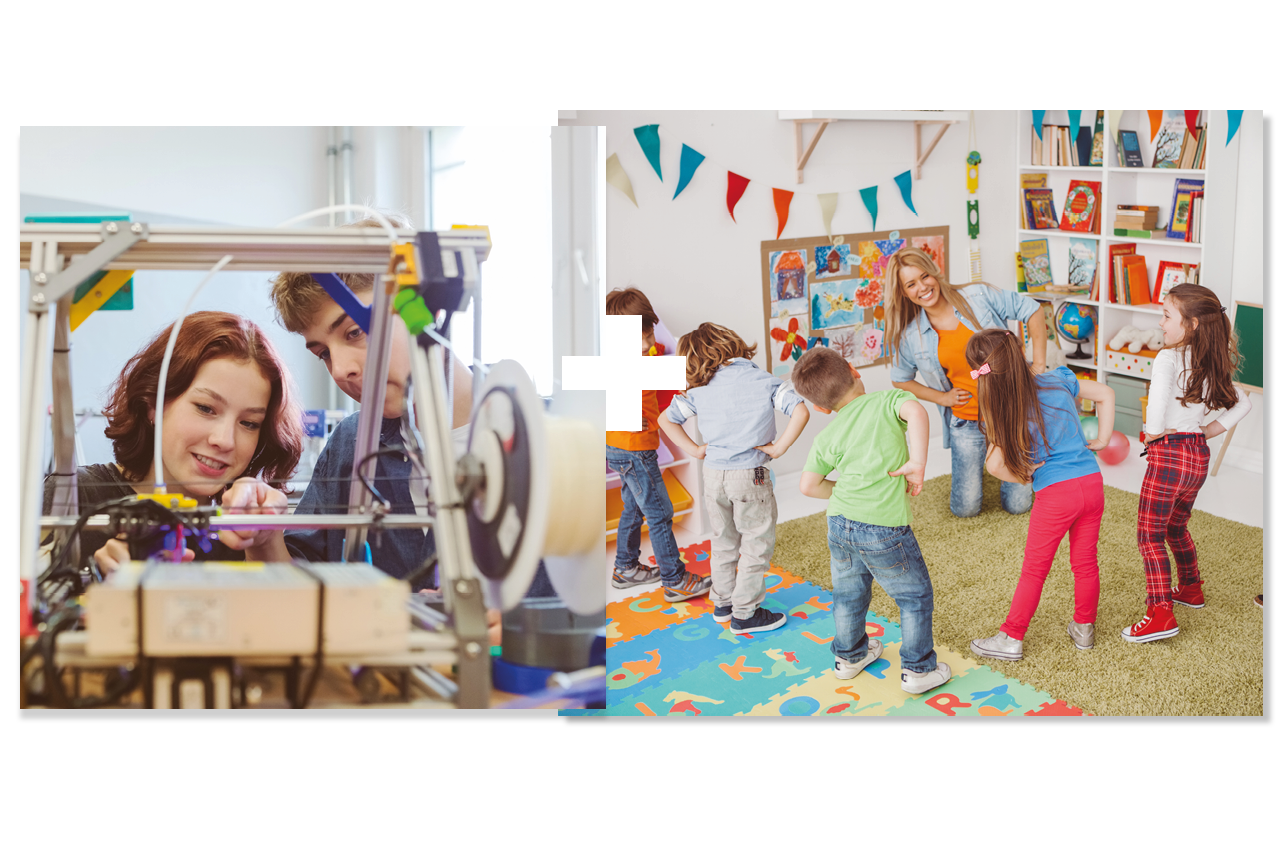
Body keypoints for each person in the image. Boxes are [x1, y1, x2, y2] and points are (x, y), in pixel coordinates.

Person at [268, 216, 474, 585]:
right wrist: (262, 539)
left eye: (355, 331)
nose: (340, 370)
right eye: (323, 354)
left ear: (422, 309)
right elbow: (299, 581)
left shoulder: (553, 436)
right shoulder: (351, 443)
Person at [41, 311, 303, 574]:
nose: (224, 440)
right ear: (152, 404)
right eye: (205, 408)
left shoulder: (244, 530)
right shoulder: (75, 494)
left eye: (249, 423)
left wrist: (267, 543)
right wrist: (96, 580)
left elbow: (297, 612)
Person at [790, 346, 951, 694]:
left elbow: (808, 486)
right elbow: (918, 412)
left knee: (848, 594)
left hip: (839, 524)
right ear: (854, 369)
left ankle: (849, 658)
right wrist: (918, 463)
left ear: (820, 407)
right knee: (914, 597)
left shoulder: (826, 436)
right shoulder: (886, 401)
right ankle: (919, 670)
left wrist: (847, 491)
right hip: (883, 527)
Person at [961, 330, 1115, 660]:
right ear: (1021, 350)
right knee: (1085, 562)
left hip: (1056, 493)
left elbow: (994, 465)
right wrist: (1102, 439)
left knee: (1035, 570)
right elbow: (1104, 392)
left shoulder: (1003, 405)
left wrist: (1027, 476)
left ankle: (1011, 638)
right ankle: (1084, 629)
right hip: (1092, 481)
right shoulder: (1059, 378)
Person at [657, 322, 809, 634]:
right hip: (750, 475)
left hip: (712, 474)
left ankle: (723, 603)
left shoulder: (699, 390)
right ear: (732, 344)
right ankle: (745, 613)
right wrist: (778, 448)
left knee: (724, 540)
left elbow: (665, 419)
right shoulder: (762, 380)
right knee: (756, 542)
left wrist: (695, 450)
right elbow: (801, 411)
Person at [1122, 285, 1252, 643]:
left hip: (1169, 455)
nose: (1160, 323)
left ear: (1191, 323)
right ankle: (1191, 588)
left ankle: (1160, 612)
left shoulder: (1167, 358)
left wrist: (1150, 433)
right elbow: (1244, 402)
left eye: (1166, 316)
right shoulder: (1212, 359)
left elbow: (1157, 405)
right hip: (1196, 455)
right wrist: (1209, 430)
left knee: (1149, 535)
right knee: (1175, 527)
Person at [884, 247, 1048, 518]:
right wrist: (943, 398)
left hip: (1012, 412)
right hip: (966, 421)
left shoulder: (978, 296)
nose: (923, 287)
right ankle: (994, 464)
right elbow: (901, 380)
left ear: (935, 273)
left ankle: (1013, 464)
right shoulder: (911, 335)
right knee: (965, 509)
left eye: (925, 276)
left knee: (1019, 506)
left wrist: (1038, 366)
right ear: (903, 292)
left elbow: (1032, 310)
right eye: (911, 284)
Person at [604, 286, 710, 602]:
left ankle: (625, 567)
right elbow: (679, 374)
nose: (651, 340)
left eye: (649, 332)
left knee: (634, 508)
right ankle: (674, 579)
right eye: (646, 333)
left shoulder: (626, 358)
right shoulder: (631, 364)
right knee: (660, 511)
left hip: (620, 449)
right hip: (635, 451)